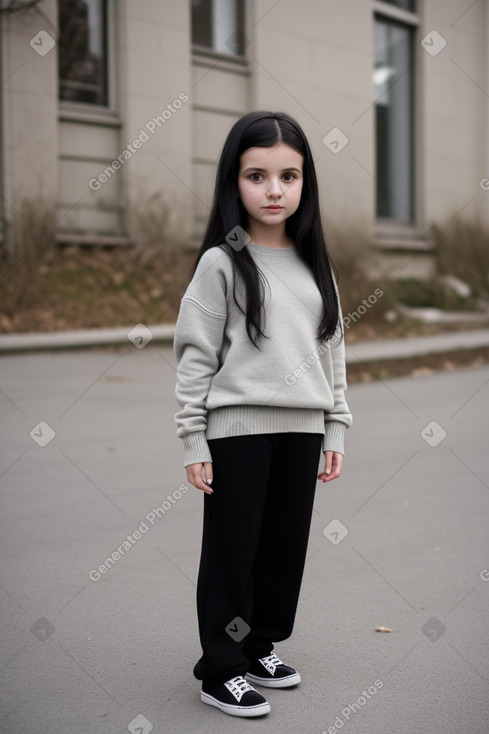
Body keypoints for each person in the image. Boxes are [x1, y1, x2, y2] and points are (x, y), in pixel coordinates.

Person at [173, 110, 352, 718]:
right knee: (233, 552)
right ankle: (219, 669)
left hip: (303, 430)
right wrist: (194, 438)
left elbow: (332, 351)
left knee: (282, 550)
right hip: (238, 433)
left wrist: (336, 425)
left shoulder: (314, 264)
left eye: (289, 176)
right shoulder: (221, 264)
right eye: (257, 175)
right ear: (233, 182)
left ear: (305, 184)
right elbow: (194, 358)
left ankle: (256, 646)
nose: (274, 190)